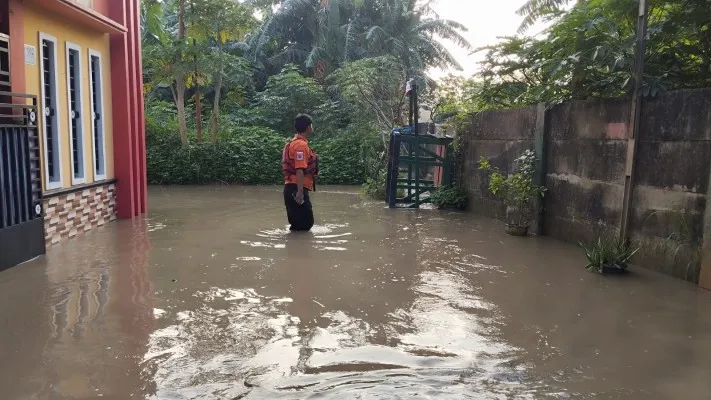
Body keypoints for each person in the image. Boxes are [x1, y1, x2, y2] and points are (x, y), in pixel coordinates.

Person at [282, 114, 318, 231]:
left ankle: (294, 247)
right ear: (308, 128)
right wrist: (300, 192)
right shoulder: (300, 145)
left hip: (292, 189)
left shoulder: (296, 143)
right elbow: (299, 169)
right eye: (311, 125)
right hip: (296, 189)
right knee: (306, 223)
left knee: (298, 226)